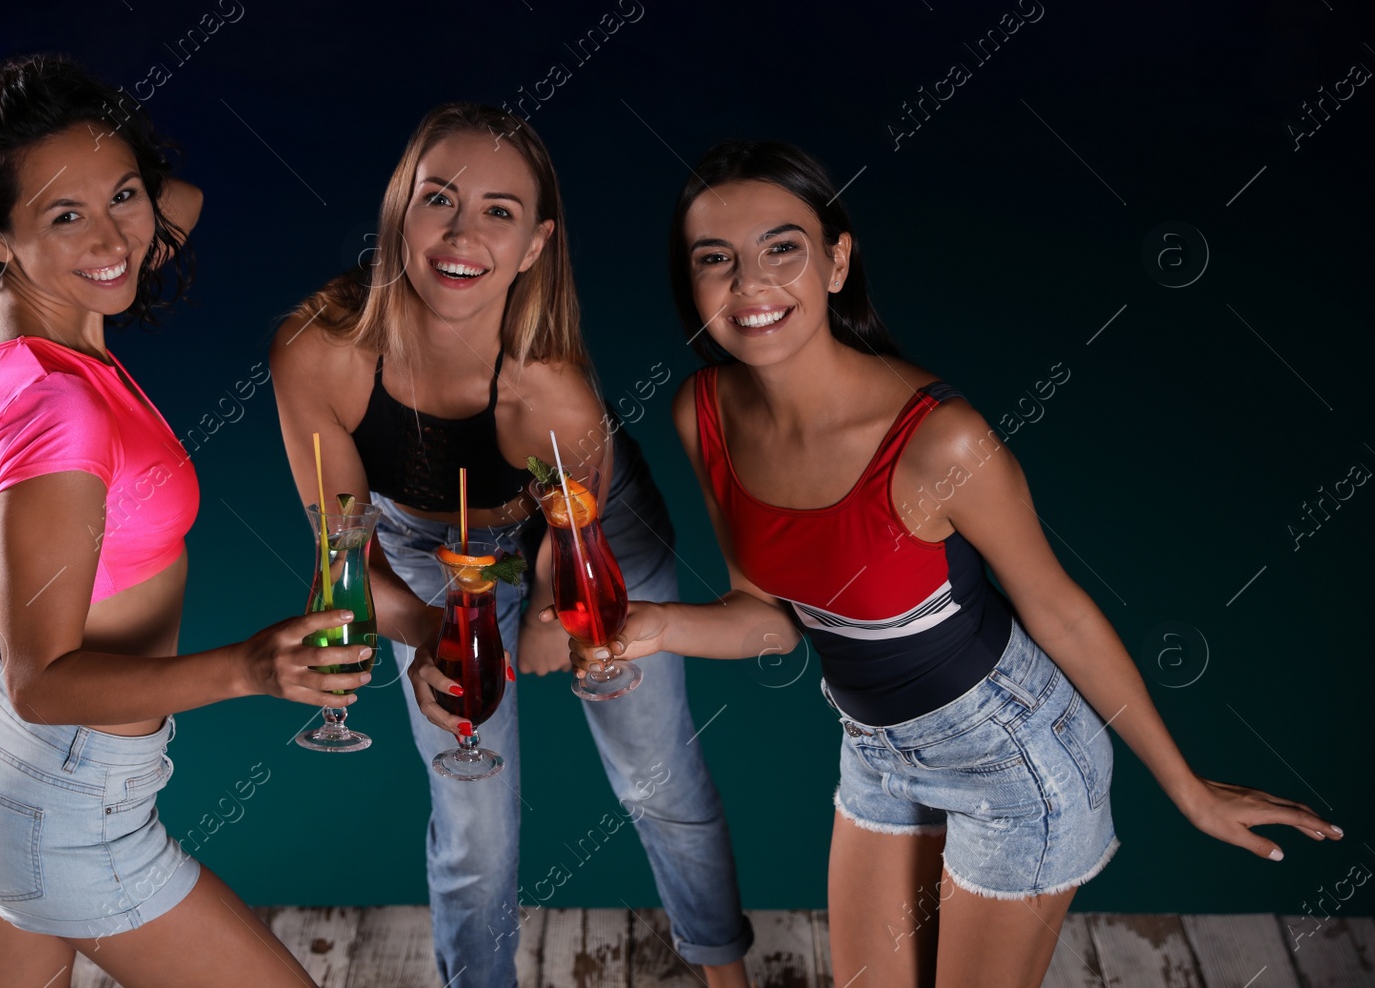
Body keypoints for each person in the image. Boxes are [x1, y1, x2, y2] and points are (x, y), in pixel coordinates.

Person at [565, 138, 1344, 988]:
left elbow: (1062, 610)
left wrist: (1187, 788)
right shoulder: (703, 411)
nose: (749, 284)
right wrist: (651, 628)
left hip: (1017, 759)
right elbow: (773, 620)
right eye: (716, 260)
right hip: (877, 751)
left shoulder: (942, 440)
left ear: (836, 262)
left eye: (780, 248)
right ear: (693, 286)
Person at [270, 102, 754, 988]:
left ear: (535, 243)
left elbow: (571, 533)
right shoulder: (319, 352)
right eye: (439, 200)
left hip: (583, 535)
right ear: (398, 212)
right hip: (420, 547)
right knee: (473, 817)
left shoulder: (550, 388)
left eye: (500, 210)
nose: (463, 233)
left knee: (658, 778)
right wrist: (425, 638)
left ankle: (727, 975)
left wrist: (540, 614)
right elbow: (346, 557)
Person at [0, 53, 364, 988]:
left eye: (123, 193)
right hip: (56, 781)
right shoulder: (61, 412)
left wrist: (86, 173)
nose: (115, 237)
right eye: (63, 215)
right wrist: (253, 667)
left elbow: (170, 207)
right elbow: (46, 682)